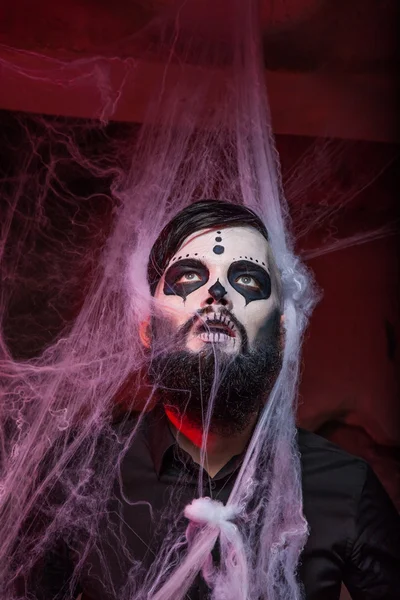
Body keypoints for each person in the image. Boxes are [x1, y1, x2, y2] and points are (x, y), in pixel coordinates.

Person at [18, 200, 400, 600]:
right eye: (188, 276)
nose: (216, 293)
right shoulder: (78, 474)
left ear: (282, 335)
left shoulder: (345, 485)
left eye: (248, 280)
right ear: (148, 330)